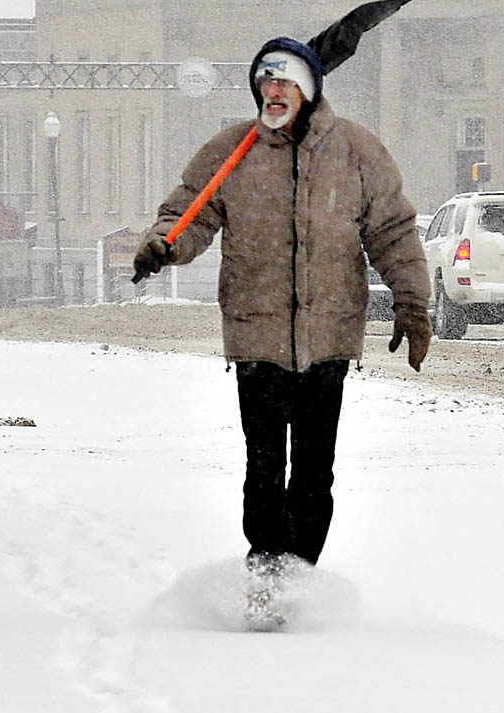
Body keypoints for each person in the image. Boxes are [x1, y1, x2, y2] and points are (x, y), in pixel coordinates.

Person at [133, 34, 431, 575]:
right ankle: (267, 570)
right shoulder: (231, 152)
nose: (273, 90)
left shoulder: (357, 152)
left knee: (316, 474)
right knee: (264, 468)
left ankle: (301, 574)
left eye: (285, 80)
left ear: (309, 89)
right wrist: (165, 244)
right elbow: (189, 214)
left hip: (329, 337)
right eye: (266, 80)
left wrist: (413, 303)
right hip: (257, 335)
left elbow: (392, 231)